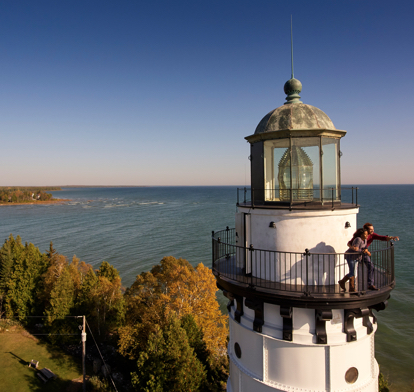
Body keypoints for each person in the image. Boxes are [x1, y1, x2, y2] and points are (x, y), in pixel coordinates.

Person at [348, 222, 399, 291]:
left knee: (371, 266)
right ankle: (351, 286)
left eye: (373, 229)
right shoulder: (359, 236)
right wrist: (353, 248)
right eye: (371, 229)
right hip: (356, 254)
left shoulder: (372, 235)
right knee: (353, 271)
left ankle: (370, 284)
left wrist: (391, 238)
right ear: (365, 229)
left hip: (364, 253)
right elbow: (349, 243)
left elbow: (381, 237)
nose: (373, 231)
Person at [339, 228, 370, 292]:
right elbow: (355, 249)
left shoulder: (365, 240)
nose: (367, 235)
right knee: (352, 272)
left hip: (357, 257)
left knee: (353, 272)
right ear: (361, 234)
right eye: (365, 234)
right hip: (351, 256)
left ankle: (344, 283)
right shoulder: (358, 239)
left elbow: (365, 247)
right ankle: (351, 287)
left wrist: (366, 250)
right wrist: (363, 251)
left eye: (367, 234)